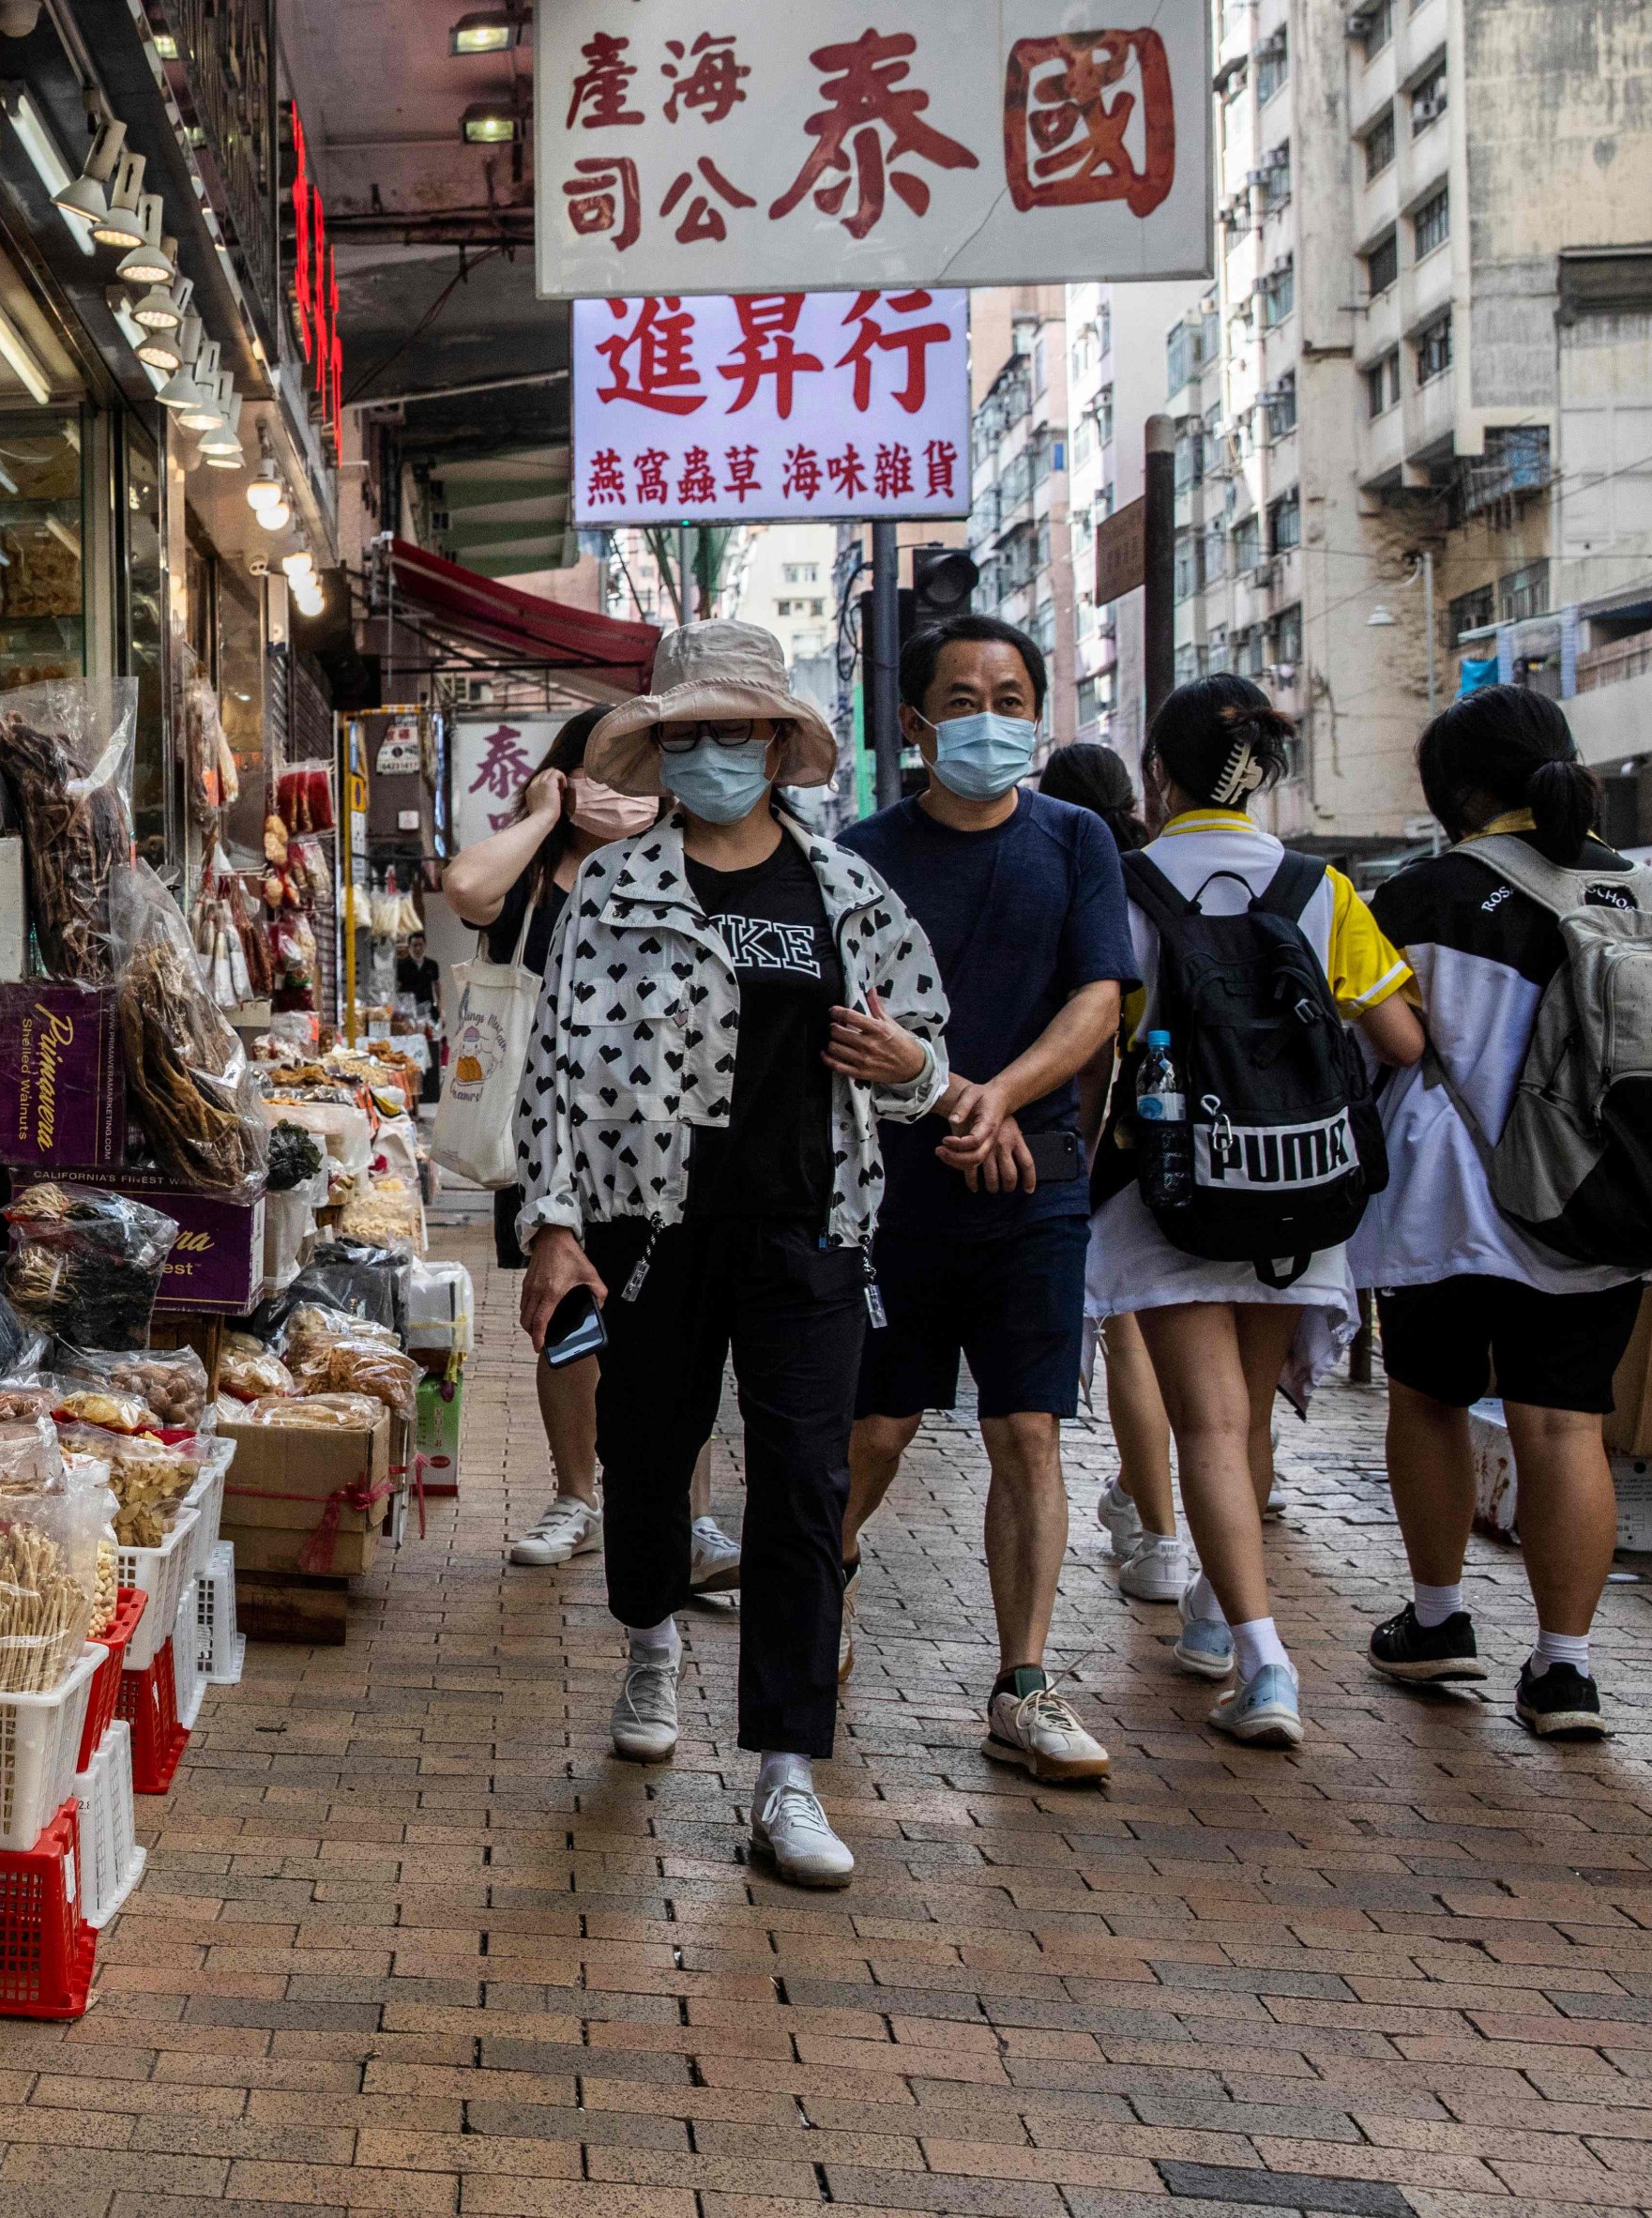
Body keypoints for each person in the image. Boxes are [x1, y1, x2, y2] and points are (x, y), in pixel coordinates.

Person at [510, 621, 952, 1889]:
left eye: (735, 732)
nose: (712, 754)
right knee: (647, 1458)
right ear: (663, 747)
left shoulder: (848, 891)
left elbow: (924, 1051)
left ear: (776, 744)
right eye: (688, 733)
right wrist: (552, 1224)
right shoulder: (613, 887)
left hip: (812, 1221)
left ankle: (786, 1774)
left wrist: (913, 1069)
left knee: (804, 1484)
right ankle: (650, 1645)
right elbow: (555, 1071)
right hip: (649, 1226)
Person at [1087, 676, 1425, 1750]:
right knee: (1251, 1417)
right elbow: (1402, 1043)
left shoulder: (1125, 883)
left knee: (1209, 1424)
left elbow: (1100, 1038)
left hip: (1174, 1188)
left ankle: (1264, 1657)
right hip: (1301, 1187)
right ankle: (1210, 1617)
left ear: (1158, 773)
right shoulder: (1322, 888)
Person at [839, 616, 1135, 1785]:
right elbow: (856, 1020)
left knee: (1028, 1428)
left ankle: (1022, 1682)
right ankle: (835, 1573)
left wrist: (1002, 1097)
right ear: (912, 725)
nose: (988, 717)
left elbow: (1097, 996)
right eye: (960, 699)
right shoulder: (860, 853)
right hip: (893, 1187)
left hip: (1035, 1181)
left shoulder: (1075, 841)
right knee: (875, 1429)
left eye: (1010, 696)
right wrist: (956, 1102)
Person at [1351, 689, 1644, 1739]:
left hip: (1453, 1203)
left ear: (1458, 791)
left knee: (1428, 1399)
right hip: (1599, 1205)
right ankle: (1564, 1671)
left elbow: (1379, 1046)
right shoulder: (1638, 890)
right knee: (1566, 1424)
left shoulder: (1424, 895)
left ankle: (1436, 1622)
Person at [442, 711, 745, 1589]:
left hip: (663, 1139)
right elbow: (466, 887)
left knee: (678, 1331)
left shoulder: (683, 867)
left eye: (639, 775)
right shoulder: (537, 879)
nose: (623, 794)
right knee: (568, 1325)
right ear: (567, 775)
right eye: (599, 774)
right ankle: (577, 1497)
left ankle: (689, 1521)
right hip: (549, 1135)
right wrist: (541, 815)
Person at [1039, 741, 1196, 1608]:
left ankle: (1158, 1535)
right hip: (1209, 1142)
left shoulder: (1086, 876)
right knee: (1213, 1345)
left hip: (1114, 1138)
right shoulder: (1152, 869)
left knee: (1130, 1338)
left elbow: (1096, 1034)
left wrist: (1086, 1138)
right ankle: (1152, 1509)